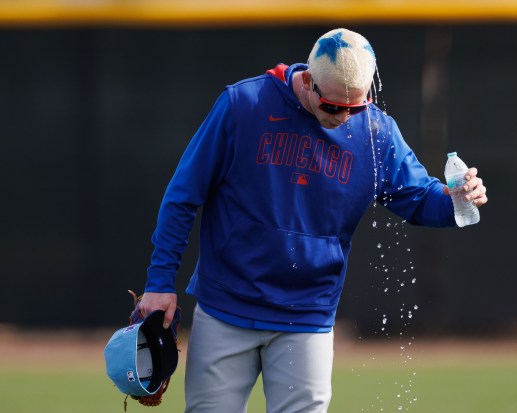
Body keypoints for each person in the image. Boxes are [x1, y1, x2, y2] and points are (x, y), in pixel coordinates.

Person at [139, 28, 488, 413]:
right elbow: (183, 195)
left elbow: (420, 200)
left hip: (307, 314)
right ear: (307, 80)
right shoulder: (244, 104)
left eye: (355, 108)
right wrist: (159, 281)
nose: (343, 117)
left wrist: (457, 198)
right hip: (227, 306)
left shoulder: (375, 131)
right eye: (333, 107)